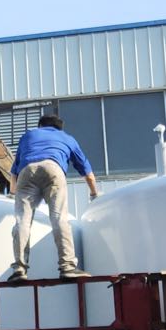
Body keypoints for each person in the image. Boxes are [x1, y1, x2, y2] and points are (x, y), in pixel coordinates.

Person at [8, 113, 98, 281]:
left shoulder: (29, 135)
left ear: (40, 126)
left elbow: (14, 172)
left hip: (27, 171)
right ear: (59, 128)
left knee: (22, 221)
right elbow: (88, 173)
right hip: (53, 169)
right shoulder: (67, 138)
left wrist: (13, 193)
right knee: (59, 218)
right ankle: (67, 267)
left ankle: (19, 269)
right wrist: (94, 194)